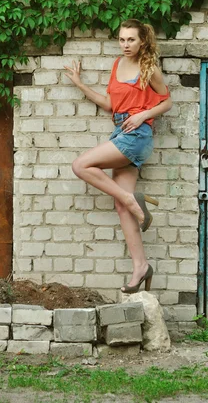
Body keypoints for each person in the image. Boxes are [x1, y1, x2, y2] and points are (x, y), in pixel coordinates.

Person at [64, 19, 173, 294]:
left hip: (137, 135)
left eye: (131, 40)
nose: (125, 45)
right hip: (120, 132)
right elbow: (110, 104)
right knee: (122, 208)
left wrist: (143, 114)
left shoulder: (149, 68)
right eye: (122, 39)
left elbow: (167, 102)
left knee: (81, 165)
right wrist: (80, 84)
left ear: (142, 42)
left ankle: (131, 200)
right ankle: (141, 266)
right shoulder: (116, 65)